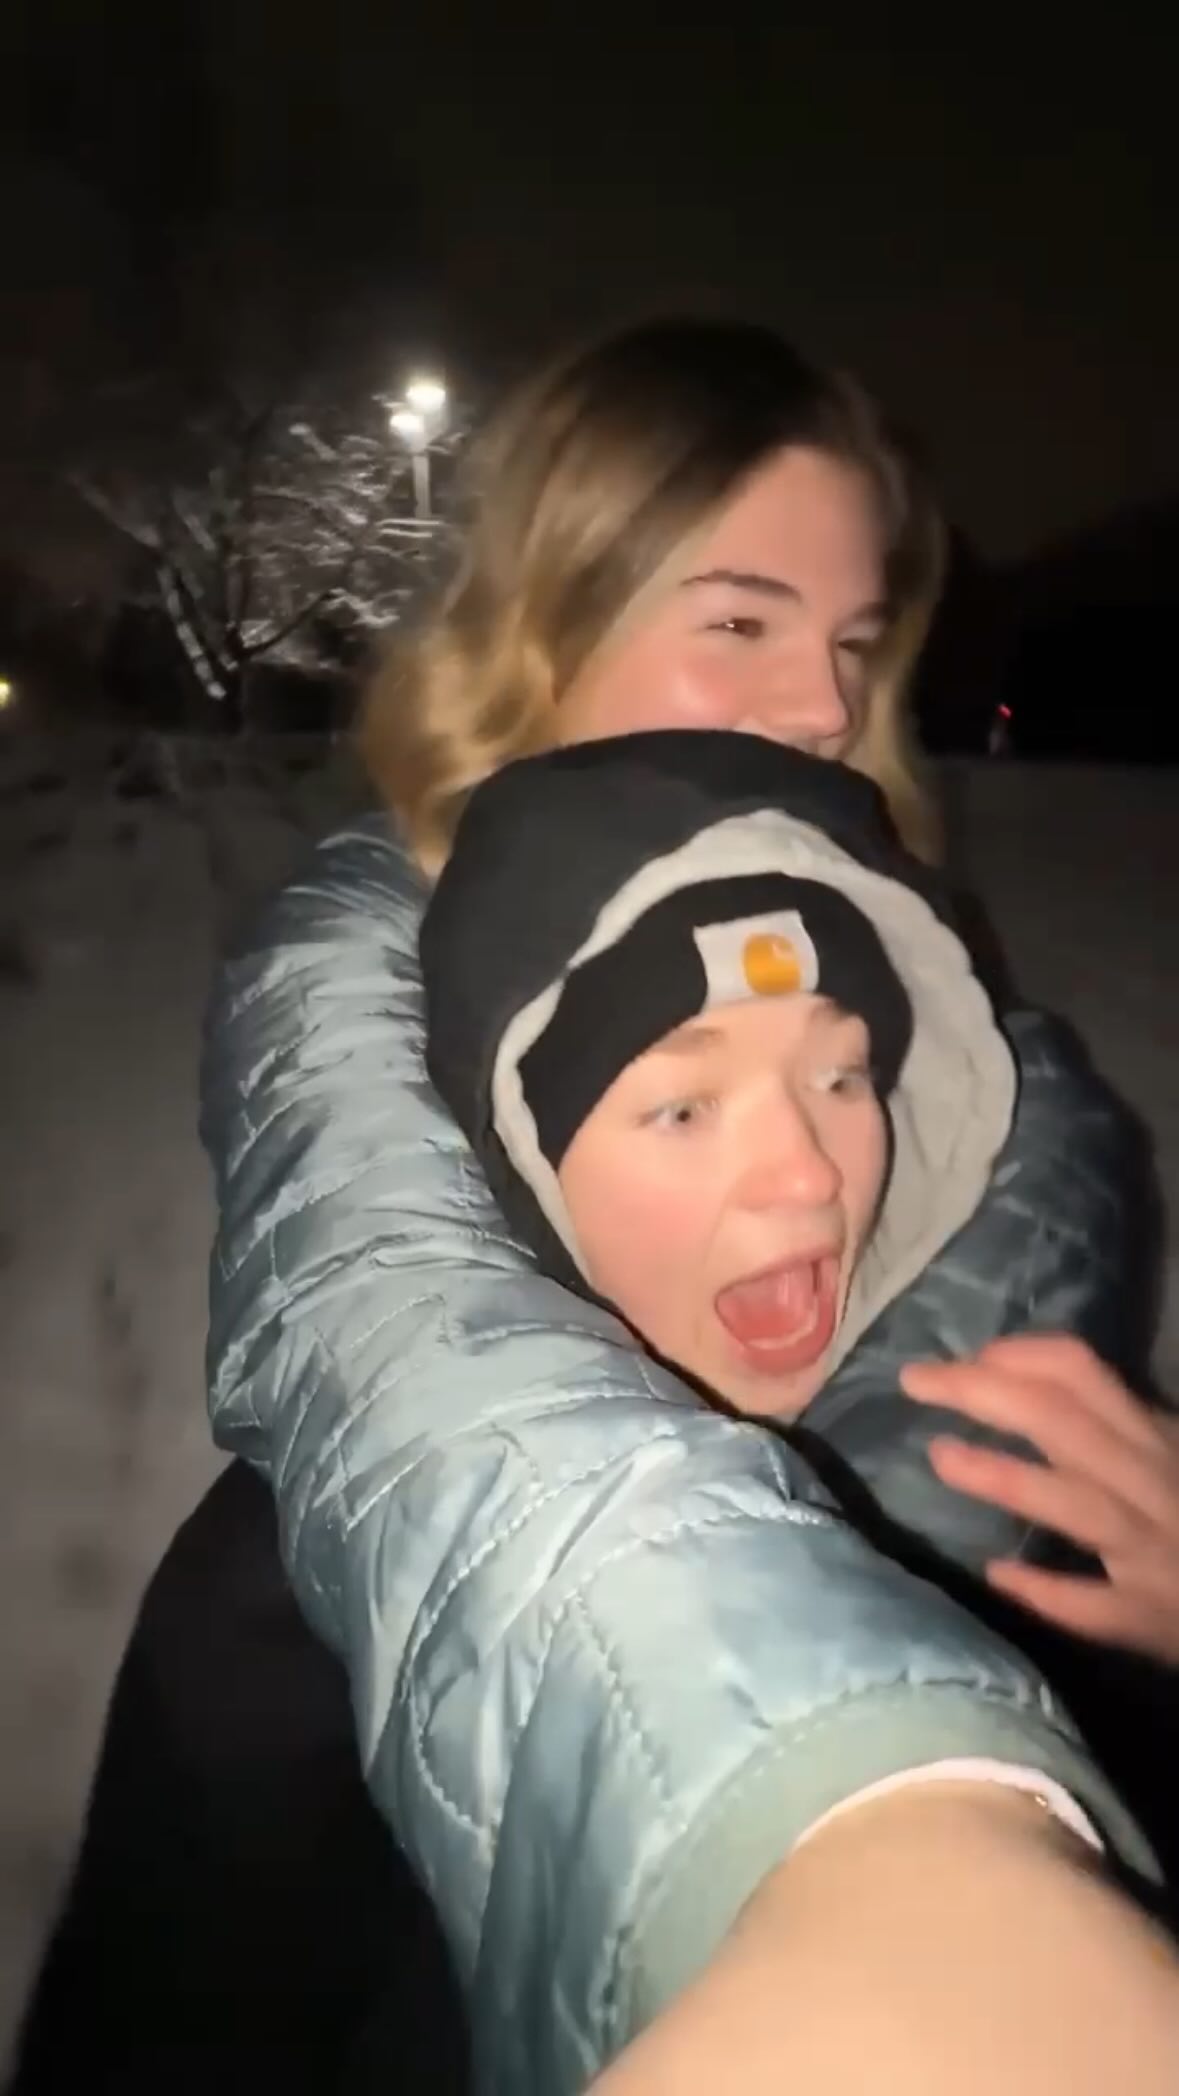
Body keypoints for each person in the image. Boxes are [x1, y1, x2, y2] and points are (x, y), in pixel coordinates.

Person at [14, 317, 1174, 2087]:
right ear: (548, 626)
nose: (824, 708)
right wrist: (830, 1793)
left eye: (855, 642)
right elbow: (383, 1300)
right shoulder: (368, 946)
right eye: (742, 622)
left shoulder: (938, 999)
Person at [414, 723, 1179, 2092]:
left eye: (842, 1075)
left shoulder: (1074, 1474)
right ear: (527, 1171)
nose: (811, 1174)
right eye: (683, 1107)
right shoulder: (346, 1596)